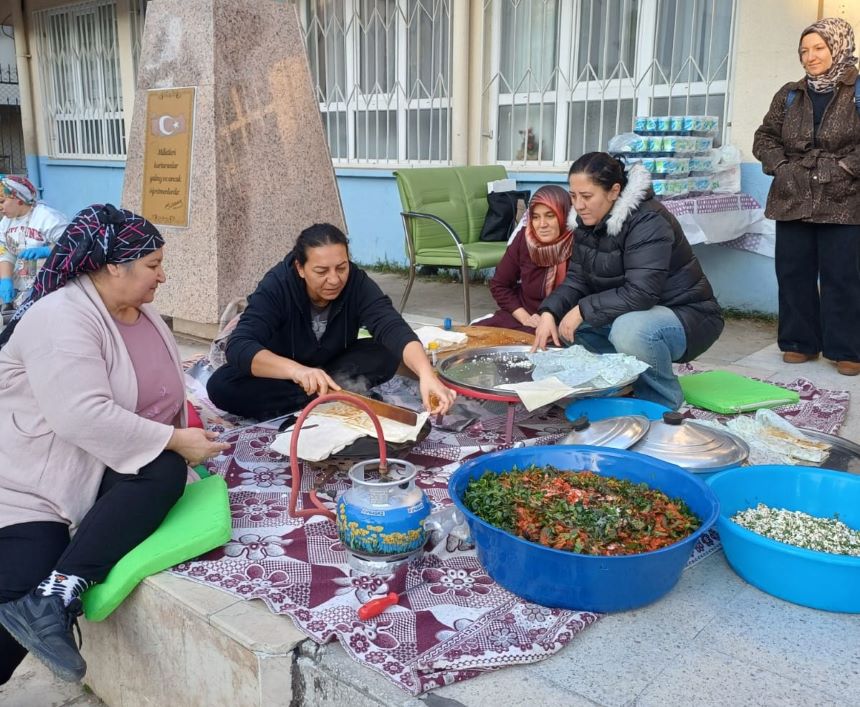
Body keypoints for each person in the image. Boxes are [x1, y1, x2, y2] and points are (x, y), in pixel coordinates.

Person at [0, 204, 229, 684]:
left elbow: (161, 392)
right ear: (112, 266)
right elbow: (81, 414)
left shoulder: (138, 314)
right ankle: (43, 600)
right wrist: (173, 439)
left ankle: (56, 596)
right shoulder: (60, 317)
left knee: (163, 472)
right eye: (152, 265)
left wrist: (185, 434)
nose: (162, 276)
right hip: (25, 484)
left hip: (90, 464)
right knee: (23, 581)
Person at [533, 153, 724, 410]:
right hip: (632, 311)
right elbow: (577, 280)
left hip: (688, 317)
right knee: (562, 327)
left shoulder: (648, 220)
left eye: (587, 196)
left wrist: (582, 309)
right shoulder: (586, 223)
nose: (578, 205)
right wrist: (549, 312)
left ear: (614, 191)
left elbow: (642, 292)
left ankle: (662, 402)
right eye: (573, 196)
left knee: (629, 331)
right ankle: (621, 383)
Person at [207, 222, 456, 419]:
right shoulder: (278, 285)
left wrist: (426, 374)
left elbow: (390, 324)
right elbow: (240, 345)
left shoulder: (356, 282)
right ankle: (336, 395)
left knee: (386, 351)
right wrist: (297, 371)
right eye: (321, 271)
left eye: (341, 267)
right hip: (281, 373)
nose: (335, 279)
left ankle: (326, 395)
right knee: (222, 385)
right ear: (300, 268)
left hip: (331, 366)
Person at [752, 17, 860, 376]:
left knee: (842, 274)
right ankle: (800, 342)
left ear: (837, 47)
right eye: (804, 50)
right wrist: (781, 166)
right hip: (792, 194)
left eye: (818, 48)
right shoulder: (790, 93)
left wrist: (844, 169)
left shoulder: (857, 90)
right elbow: (764, 137)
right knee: (793, 270)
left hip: (844, 198)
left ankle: (847, 349)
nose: (810, 57)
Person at [482, 185, 574, 333]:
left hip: (564, 323)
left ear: (564, 214)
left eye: (550, 215)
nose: (542, 224)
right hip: (525, 316)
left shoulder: (580, 244)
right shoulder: (525, 239)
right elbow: (499, 284)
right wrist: (525, 318)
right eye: (536, 217)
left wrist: (551, 318)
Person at [0, 175, 68, 307]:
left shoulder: (47, 217)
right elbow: (5, 252)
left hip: (50, 286)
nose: (0, 207)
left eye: (2, 202)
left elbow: (73, 244)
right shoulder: (6, 222)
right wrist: (5, 279)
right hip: (21, 285)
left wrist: (47, 250)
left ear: (19, 199)